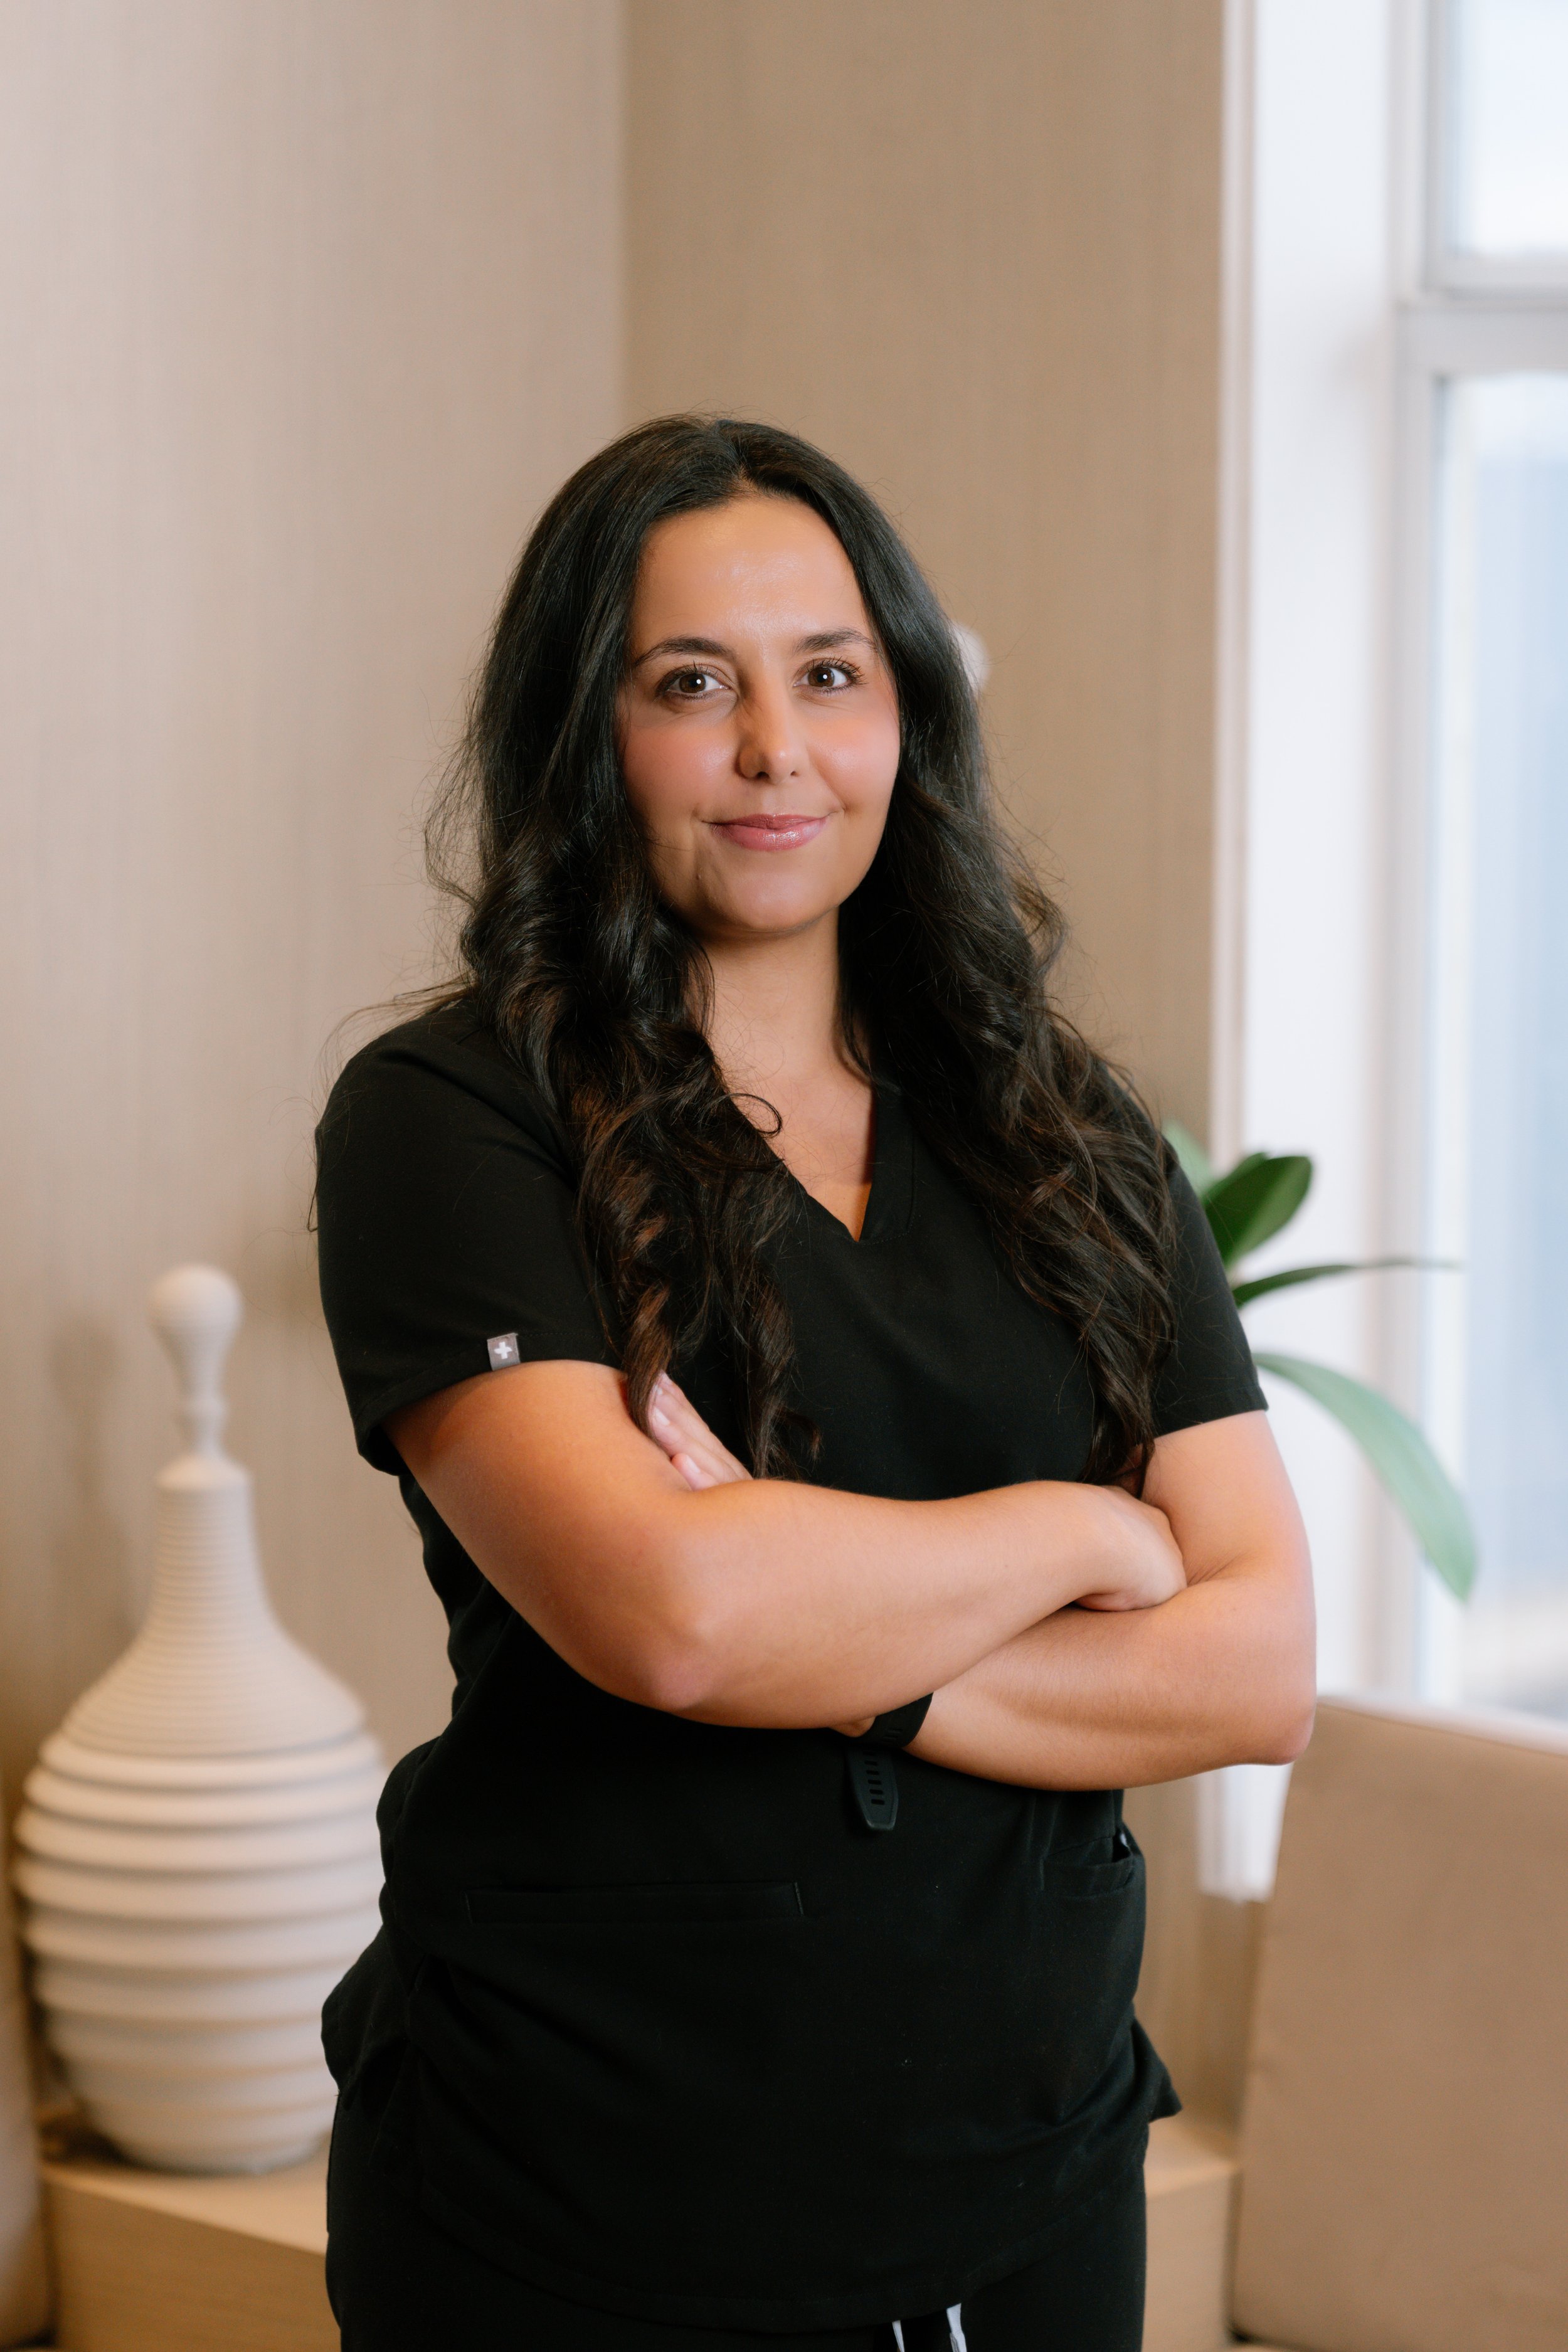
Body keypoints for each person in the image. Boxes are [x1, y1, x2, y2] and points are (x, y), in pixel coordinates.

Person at [313, 415, 1315, 2352]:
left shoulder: (1069, 1135)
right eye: (695, 685)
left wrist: (838, 1631)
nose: (777, 748)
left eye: (830, 676)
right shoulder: (453, 1123)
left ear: (905, 718)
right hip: (585, 2190)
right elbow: (672, 1617)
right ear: (584, 737)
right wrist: (1080, 1530)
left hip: (1024, 2174)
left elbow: (1252, 1667)